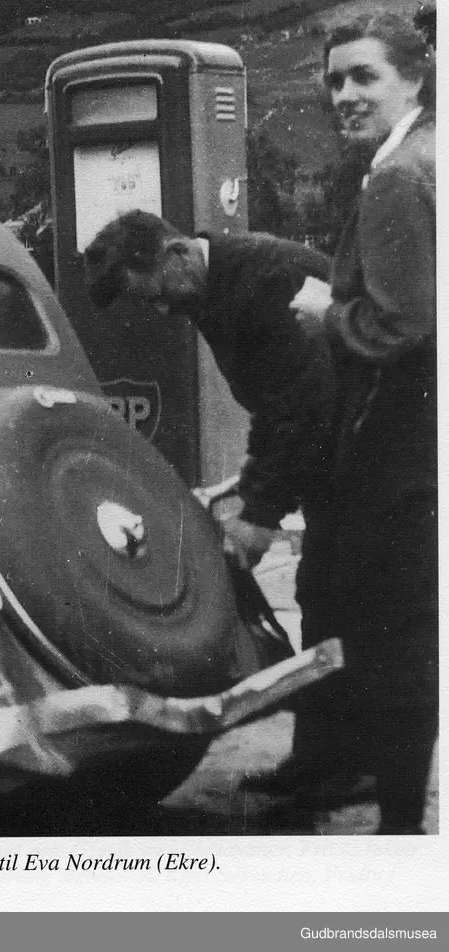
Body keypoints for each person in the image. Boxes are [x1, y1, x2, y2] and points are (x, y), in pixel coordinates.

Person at [286, 10, 436, 834]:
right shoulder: (429, 153)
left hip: (398, 445)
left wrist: (326, 312)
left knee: (392, 635)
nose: (343, 94)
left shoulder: (396, 177)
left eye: (364, 77)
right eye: (335, 78)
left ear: (413, 78)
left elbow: (405, 326)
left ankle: (401, 825)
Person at [82, 210, 335, 572]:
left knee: (337, 599)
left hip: (375, 452)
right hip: (339, 450)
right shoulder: (210, 287)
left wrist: (258, 518)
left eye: (159, 294)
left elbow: (304, 404)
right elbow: (271, 400)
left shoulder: (264, 278)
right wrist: (252, 478)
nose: (163, 308)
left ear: (178, 253)